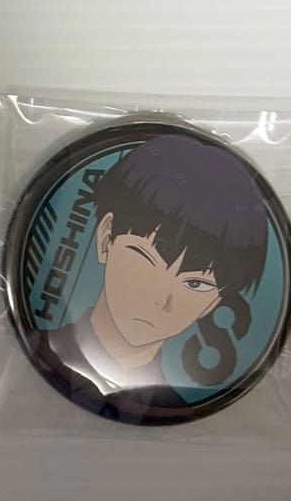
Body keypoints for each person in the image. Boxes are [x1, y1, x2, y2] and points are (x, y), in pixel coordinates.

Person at [33, 133, 268, 423]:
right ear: (106, 238)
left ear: (213, 303)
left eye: (194, 284)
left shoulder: (177, 406)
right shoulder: (41, 346)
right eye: (145, 259)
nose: (161, 300)